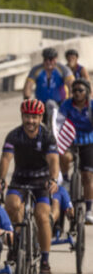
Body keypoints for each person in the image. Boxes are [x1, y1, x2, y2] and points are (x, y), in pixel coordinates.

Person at [0, 99, 60, 274]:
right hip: (20, 180)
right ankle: (17, 243)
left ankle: (45, 260)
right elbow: (6, 159)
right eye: (27, 117)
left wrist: (53, 179)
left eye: (34, 117)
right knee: (11, 205)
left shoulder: (47, 136)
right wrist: (1, 178)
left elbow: (54, 160)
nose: (30, 121)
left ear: (40, 117)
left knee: (42, 216)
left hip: (41, 182)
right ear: (22, 117)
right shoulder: (14, 136)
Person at [56, 78, 93, 224]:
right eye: (74, 90)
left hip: (88, 143)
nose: (77, 93)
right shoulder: (66, 105)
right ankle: (65, 179)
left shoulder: (91, 106)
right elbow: (59, 122)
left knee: (88, 177)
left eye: (80, 90)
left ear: (87, 92)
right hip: (70, 142)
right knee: (64, 157)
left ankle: (89, 209)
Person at [23, 47, 73, 126]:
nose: (48, 62)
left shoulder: (63, 69)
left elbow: (71, 86)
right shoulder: (36, 70)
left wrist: (71, 101)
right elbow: (28, 86)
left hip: (60, 102)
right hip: (41, 103)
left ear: (56, 59)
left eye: (51, 59)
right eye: (46, 60)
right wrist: (27, 99)